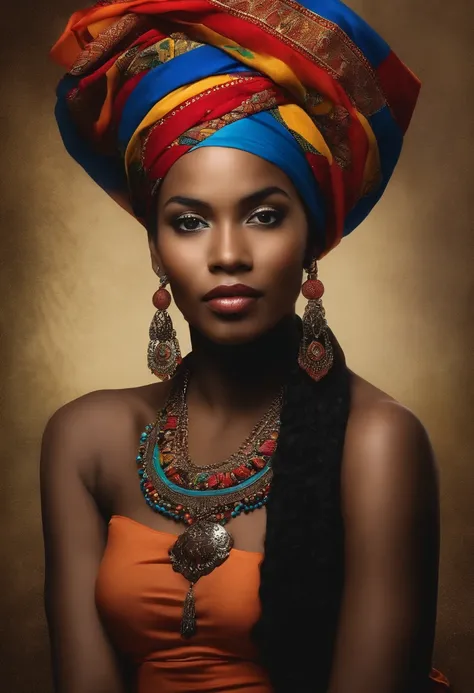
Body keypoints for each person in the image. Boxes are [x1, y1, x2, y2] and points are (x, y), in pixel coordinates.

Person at [41, 1, 451, 692]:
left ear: (312, 236)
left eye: (264, 215)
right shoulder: (87, 440)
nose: (228, 253)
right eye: (191, 220)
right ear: (156, 246)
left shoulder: (377, 443)